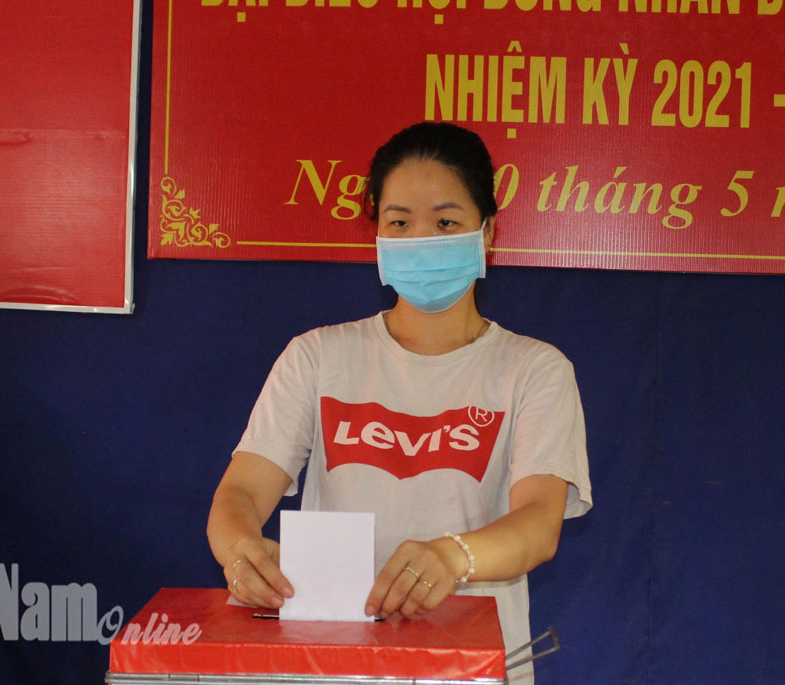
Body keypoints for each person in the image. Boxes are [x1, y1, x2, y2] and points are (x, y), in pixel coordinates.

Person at [207, 122, 592, 685]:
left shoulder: (535, 369)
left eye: (445, 222)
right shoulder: (317, 356)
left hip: (471, 667)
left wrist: (453, 555)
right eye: (400, 222)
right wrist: (241, 549)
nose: (421, 240)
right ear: (378, 236)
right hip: (330, 664)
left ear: (487, 232)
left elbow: (538, 524)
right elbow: (239, 493)